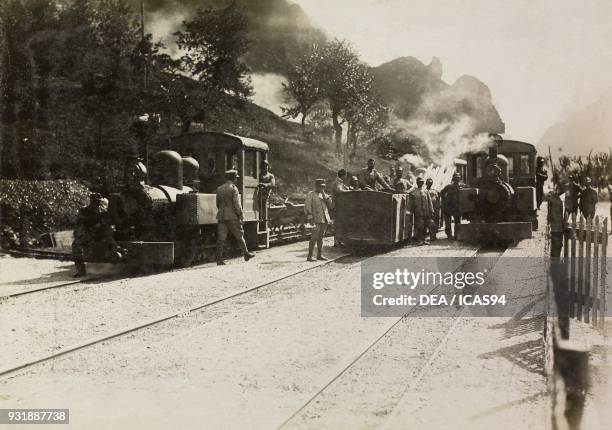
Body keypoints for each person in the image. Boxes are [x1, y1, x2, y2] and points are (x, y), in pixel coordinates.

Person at [215, 170, 255, 265]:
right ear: (233, 178)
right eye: (236, 178)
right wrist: (241, 215)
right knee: (240, 235)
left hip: (221, 216)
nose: (236, 180)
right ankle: (246, 254)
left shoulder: (219, 188)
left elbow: (218, 203)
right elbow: (237, 204)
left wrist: (222, 211)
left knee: (221, 238)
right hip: (232, 217)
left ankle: (219, 259)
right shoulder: (233, 189)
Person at [72, 193, 116, 277]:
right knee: (76, 245)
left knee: (109, 234)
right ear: (91, 201)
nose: (96, 203)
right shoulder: (85, 211)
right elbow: (79, 223)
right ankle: (81, 271)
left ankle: (116, 256)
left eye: (98, 201)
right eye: (94, 201)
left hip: (102, 233)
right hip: (89, 233)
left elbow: (109, 221)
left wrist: (101, 224)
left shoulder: (103, 210)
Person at [304, 179, 333, 261]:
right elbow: (307, 207)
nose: (321, 188)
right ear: (316, 186)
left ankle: (319, 255)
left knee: (321, 238)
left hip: (324, 219)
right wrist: (310, 218)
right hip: (315, 219)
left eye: (323, 186)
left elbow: (330, 206)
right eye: (320, 186)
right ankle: (309, 256)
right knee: (314, 237)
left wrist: (324, 195)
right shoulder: (311, 194)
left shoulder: (325, 195)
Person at [410, 177, 434, 245]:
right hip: (418, 211)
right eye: (419, 182)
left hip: (426, 211)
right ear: (417, 183)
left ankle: (424, 240)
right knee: (420, 226)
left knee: (425, 226)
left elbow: (430, 202)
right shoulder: (413, 192)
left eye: (422, 182)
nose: (421, 183)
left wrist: (431, 211)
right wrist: (411, 211)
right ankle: (419, 240)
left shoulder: (425, 191)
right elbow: (411, 203)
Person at [330, 169, 350, 247]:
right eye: (345, 175)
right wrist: (348, 191)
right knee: (338, 224)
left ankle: (339, 241)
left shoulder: (340, 182)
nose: (346, 176)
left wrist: (349, 189)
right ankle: (337, 242)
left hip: (340, 206)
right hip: (337, 206)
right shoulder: (337, 182)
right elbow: (340, 191)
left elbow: (345, 188)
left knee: (340, 224)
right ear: (343, 175)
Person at [440, 173, 463, 240]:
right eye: (455, 178)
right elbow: (442, 193)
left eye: (458, 178)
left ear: (459, 179)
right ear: (453, 178)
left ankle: (457, 235)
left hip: (457, 207)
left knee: (457, 223)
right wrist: (444, 200)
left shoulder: (462, 186)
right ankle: (449, 235)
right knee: (448, 223)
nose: (457, 179)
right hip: (449, 207)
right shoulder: (448, 186)